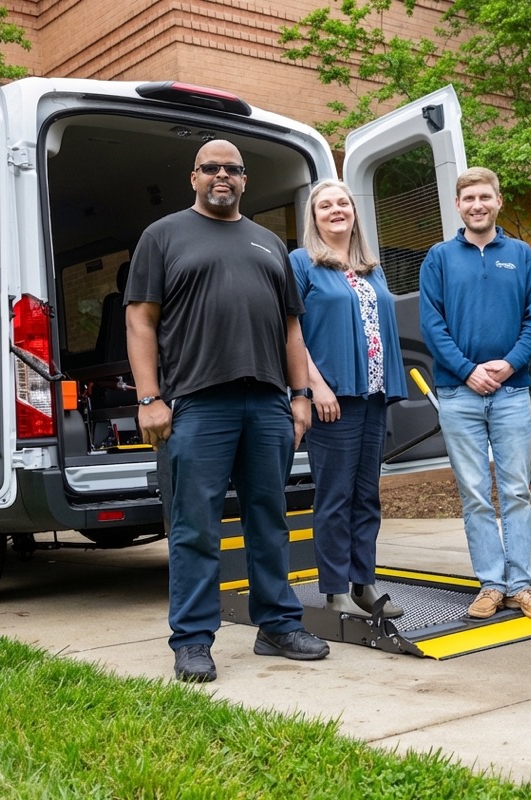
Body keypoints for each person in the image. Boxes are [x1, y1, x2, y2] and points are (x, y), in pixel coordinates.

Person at [126, 139, 329, 683]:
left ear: (244, 180)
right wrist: (149, 398)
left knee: (270, 520)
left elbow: (292, 328)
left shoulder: (267, 244)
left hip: (266, 404)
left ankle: (278, 625)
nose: (222, 175)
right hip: (197, 403)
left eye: (232, 169)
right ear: (193, 177)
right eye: (211, 168)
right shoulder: (163, 236)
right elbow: (140, 321)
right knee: (196, 526)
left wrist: (301, 394)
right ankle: (192, 640)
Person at [419, 167, 531, 623]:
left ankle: (520, 586)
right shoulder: (438, 258)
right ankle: (491, 585)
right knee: (475, 493)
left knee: (516, 490)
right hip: (458, 394)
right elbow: (432, 326)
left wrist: (510, 362)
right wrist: (467, 370)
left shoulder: (522, 256)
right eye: (469, 198)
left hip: (512, 392)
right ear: (458, 205)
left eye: (485, 197)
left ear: (499, 202)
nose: (477, 205)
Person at [289, 179, 407, 619]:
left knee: (366, 495)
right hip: (333, 397)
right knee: (335, 496)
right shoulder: (301, 263)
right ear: (313, 217)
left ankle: (365, 583)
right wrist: (315, 387)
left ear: (354, 213)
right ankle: (335, 590)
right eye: (325, 205)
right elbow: (292, 332)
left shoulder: (370, 268)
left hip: (373, 395)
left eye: (343, 203)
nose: (336, 210)